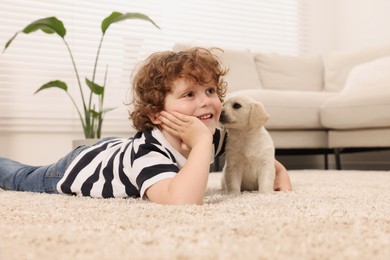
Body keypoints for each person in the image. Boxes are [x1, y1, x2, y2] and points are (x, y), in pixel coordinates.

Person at [0, 47, 292, 205]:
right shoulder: (149, 155)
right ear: (155, 113)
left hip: (116, 148)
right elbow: (181, 201)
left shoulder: (214, 135)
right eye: (189, 94)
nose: (206, 102)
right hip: (78, 167)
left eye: (211, 91)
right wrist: (201, 144)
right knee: (20, 176)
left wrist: (281, 175)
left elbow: (258, 155)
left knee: (120, 146)